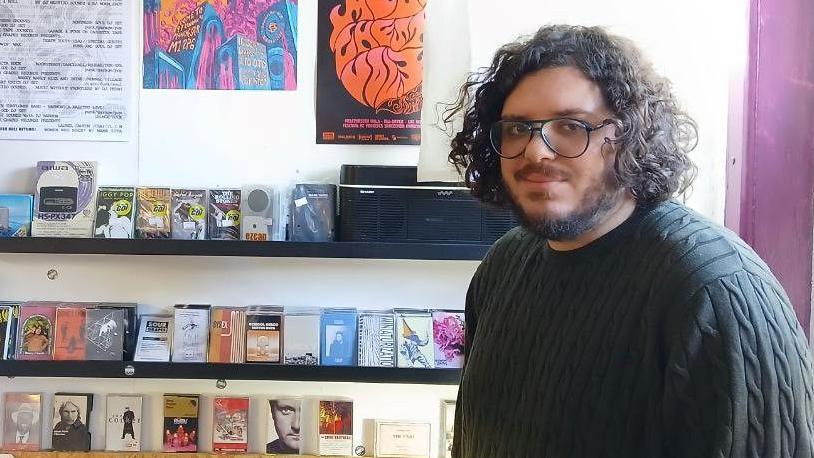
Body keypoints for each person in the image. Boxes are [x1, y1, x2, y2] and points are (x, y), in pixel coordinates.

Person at [446, 25, 814, 457]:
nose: (536, 152)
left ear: (629, 135)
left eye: (570, 125)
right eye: (517, 128)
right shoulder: (504, 264)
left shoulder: (717, 291)